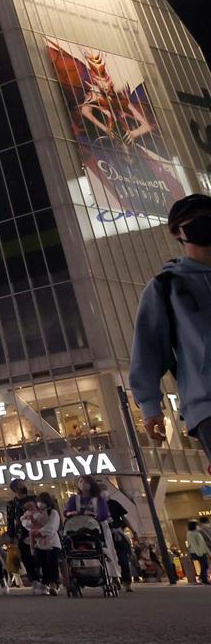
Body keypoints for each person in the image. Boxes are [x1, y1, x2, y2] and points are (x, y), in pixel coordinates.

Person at [130, 195, 211, 471]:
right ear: (178, 232)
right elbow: (148, 350)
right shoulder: (166, 287)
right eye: (199, 220)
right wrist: (150, 408)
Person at [63, 477, 120, 582]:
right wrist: (71, 513)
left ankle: (113, 575)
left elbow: (103, 514)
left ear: (91, 484)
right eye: (80, 482)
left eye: (85, 482)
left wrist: (94, 515)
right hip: (78, 528)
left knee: (107, 549)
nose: (83, 484)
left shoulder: (99, 499)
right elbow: (66, 511)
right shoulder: (74, 499)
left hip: (98, 528)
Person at [4, 478, 39, 588]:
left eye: (23, 484)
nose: (23, 487)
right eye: (20, 485)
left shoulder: (34, 499)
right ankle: (35, 580)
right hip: (22, 534)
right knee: (26, 557)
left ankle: (44, 579)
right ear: (15, 489)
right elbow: (10, 520)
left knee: (39, 555)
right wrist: (11, 535)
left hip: (37, 531)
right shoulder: (12, 504)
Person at [30, 492, 61, 595]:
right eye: (38, 501)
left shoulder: (53, 513)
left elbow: (52, 528)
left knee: (51, 563)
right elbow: (28, 525)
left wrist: (39, 532)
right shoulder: (36, 514)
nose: (40, 504)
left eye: (42, 502)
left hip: (52, 543)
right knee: (41, 564)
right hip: (40, 544)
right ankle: (45, 583)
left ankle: (54, 584)